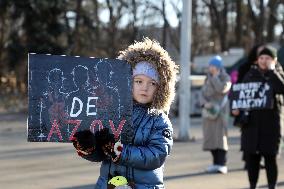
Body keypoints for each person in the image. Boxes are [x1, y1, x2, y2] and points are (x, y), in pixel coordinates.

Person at [72, 38, 178, 189]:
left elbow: (157, 155)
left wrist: (120, 151)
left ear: (161, 88)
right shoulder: (113, 112)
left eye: (152, 83)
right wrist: (89, 148)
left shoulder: (159, 120)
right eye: (139, 81)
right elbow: (101, 154)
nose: (145, 88)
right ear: (127, 81)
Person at [232, 46, 284, 189]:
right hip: (251, 126)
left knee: (270, 159)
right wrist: (236, 109)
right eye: (261, 58)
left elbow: (281, 88)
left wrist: (272, 71)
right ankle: (252, 185)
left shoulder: (277, 73)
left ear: (274, 60)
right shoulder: (250, 74)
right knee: (252, 160)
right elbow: (240, 95)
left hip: (271, 126)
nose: (264, 60)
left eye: (267, 58)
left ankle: (272, 186)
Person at [233, 44, 265, 170]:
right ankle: (248, 160)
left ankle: (259, 159)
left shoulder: (266, 69)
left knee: (261, 134)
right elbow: (238, 86)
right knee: (247, 134)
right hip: (246, 105)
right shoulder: (245, 67)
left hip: (260, 105)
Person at [200, 55, 232, 174]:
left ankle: (222, 163)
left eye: (213, 66)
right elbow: (202, 93)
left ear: (218, 67)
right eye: (210, 66)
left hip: (220, 113)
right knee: (211, 138)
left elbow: (222, 89)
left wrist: (215, 77)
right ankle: (215, 163)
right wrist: (204, 103)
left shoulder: (226, 77)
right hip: (209, 113)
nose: (210, 68)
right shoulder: (207, 78)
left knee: (220, 138)